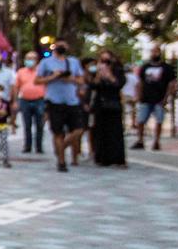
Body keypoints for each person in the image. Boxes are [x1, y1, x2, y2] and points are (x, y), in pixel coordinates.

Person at [36, 39, 85, 173]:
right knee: (58, 132)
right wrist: (53, 77)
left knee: (78, 130)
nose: (62, 47)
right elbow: (37, 80)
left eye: (64, 44)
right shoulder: (46, 62)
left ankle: (61, 148)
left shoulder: (73, 62)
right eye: (59, 45)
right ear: (54, 46)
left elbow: (81, 79)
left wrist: (70, 79)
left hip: (72, 101)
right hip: (54, 101)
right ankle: (61, 162)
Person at [133, 46, 175, 151]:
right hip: (146, 98)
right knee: (141, 120)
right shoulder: (145, 67)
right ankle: (140, 140)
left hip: (159, 98)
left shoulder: (167, 68)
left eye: (156, 51)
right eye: (152, 51)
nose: (154, 53)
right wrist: (138, 95)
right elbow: (140, 82)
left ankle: (156, 141)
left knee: (159, 120)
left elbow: (171, 83)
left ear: (160, 53)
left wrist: (166, 97)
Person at [90, 50, 127, 167]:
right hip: (100, 105)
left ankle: (117, 158)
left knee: (115, 131)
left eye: (107, 60)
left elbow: (119, 84)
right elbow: (93, 86)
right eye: (102, 60)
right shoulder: (96, 71)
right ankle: (102, 158)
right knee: (100, 131)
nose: (105, 63)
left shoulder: (118, 71)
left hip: (113, 104)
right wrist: (98, 75)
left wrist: (110, 75)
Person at [14, 50, 45, 154]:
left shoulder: (42, 71)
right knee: (27, 125)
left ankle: (39, 147)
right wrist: (15, 101)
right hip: (25, 100)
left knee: (39, 125)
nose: (29, 61)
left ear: (37, 60)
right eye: (27, 58)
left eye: (32, 59)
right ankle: (27, 146)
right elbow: (16, 87)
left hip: (39, 100)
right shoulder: (21, 72)